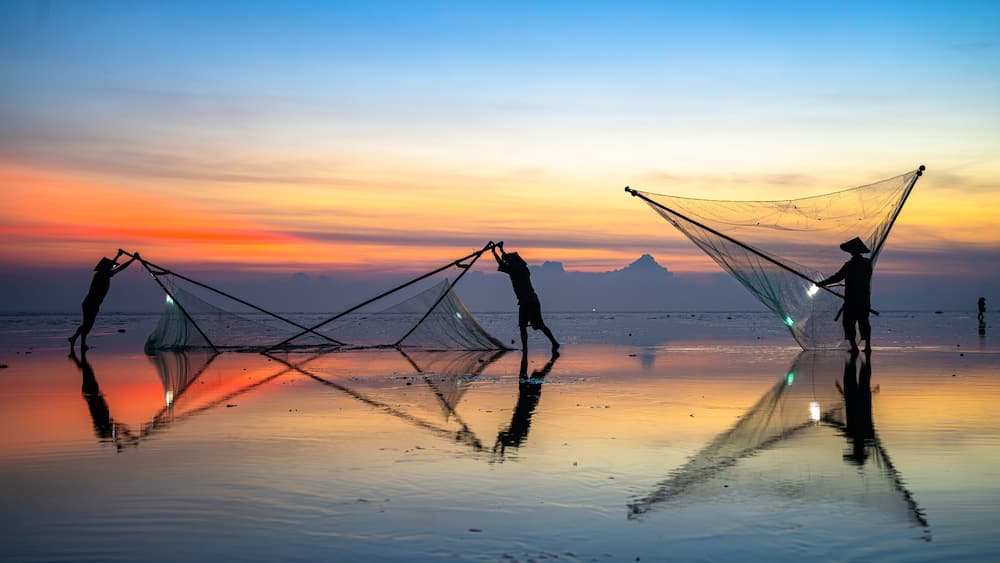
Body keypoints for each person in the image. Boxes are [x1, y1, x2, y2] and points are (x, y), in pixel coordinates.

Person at [492, 242, 559, 354]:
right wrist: (499, 250)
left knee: (536, 325)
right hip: (527, 301)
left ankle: (550, 343)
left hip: (530, 302)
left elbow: (503, 262)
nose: (508, 262)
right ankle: (532, 346)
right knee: (526, 326)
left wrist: (495, 252)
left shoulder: (517, 271)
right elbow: (507, 261)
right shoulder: (521, 269)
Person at [69, 250, 138, 351]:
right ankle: (80, 342)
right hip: (90, 303)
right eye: (110, 267)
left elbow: (118, 268)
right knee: (87, 325)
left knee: (87, 324)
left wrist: (128, 259)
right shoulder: (100, 275)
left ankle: (74, 339)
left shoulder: (106, 274)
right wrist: (121, 257)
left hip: (94, 304)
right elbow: (115, 268)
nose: (112, 269)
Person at [817, 237, 873, 352]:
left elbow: (837, 277)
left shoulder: (850, 265)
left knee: (849, 322)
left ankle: (854, 347)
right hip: (864, 299)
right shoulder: (867, 264)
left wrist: (823, 283)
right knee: (864, 321)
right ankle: (867, 346)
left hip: (852, 300)